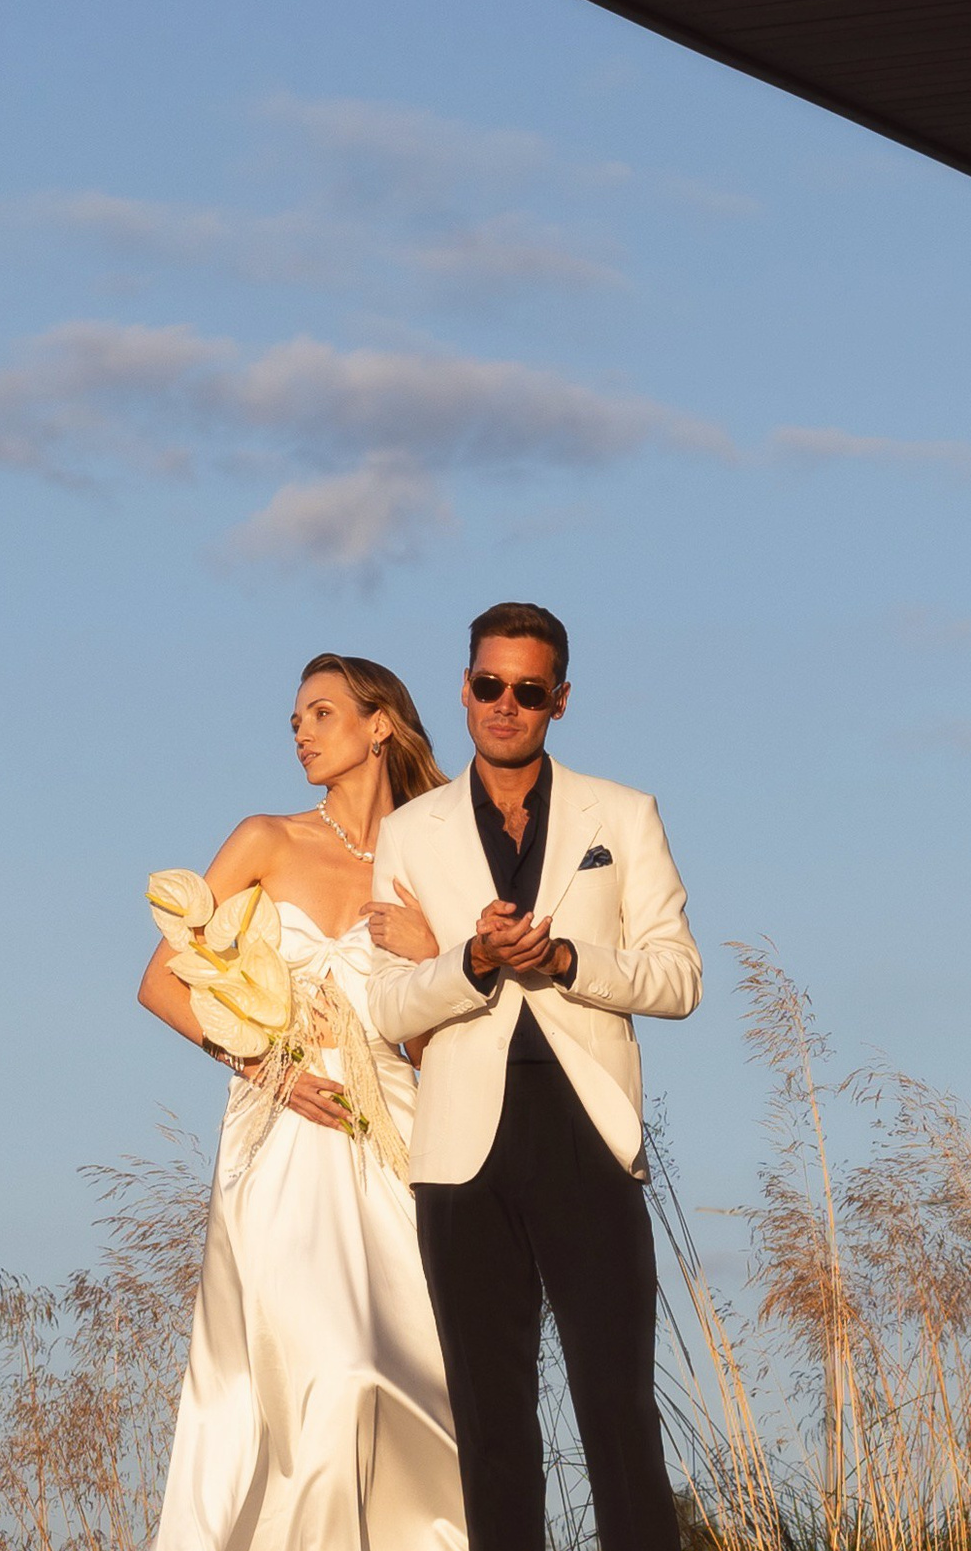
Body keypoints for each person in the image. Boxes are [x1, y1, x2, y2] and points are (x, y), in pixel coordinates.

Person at [364, 602, 702, 1551]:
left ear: (560, 701)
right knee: (491, 1422)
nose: (504, 705)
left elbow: (679, 977)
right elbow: (386, 1009)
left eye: (527, 690)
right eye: (487, 685)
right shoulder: (411, 831)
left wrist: (566, 964)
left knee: (617, 1408)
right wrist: (470, 961)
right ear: (463, 688)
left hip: (586, 1131)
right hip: (461, 1148)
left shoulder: (623, 813)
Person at [138, 654, 468, 1551]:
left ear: (379, 726)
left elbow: (427, 1044)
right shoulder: (266, 838)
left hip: (394, 1136)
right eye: (295, 720)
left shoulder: (427, 858)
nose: (301, 732)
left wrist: (437, 952)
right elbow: (163, 982)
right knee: (332, 1377)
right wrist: (268, 1071)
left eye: (321, 714)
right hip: (283, 1131)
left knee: (415, 1377)